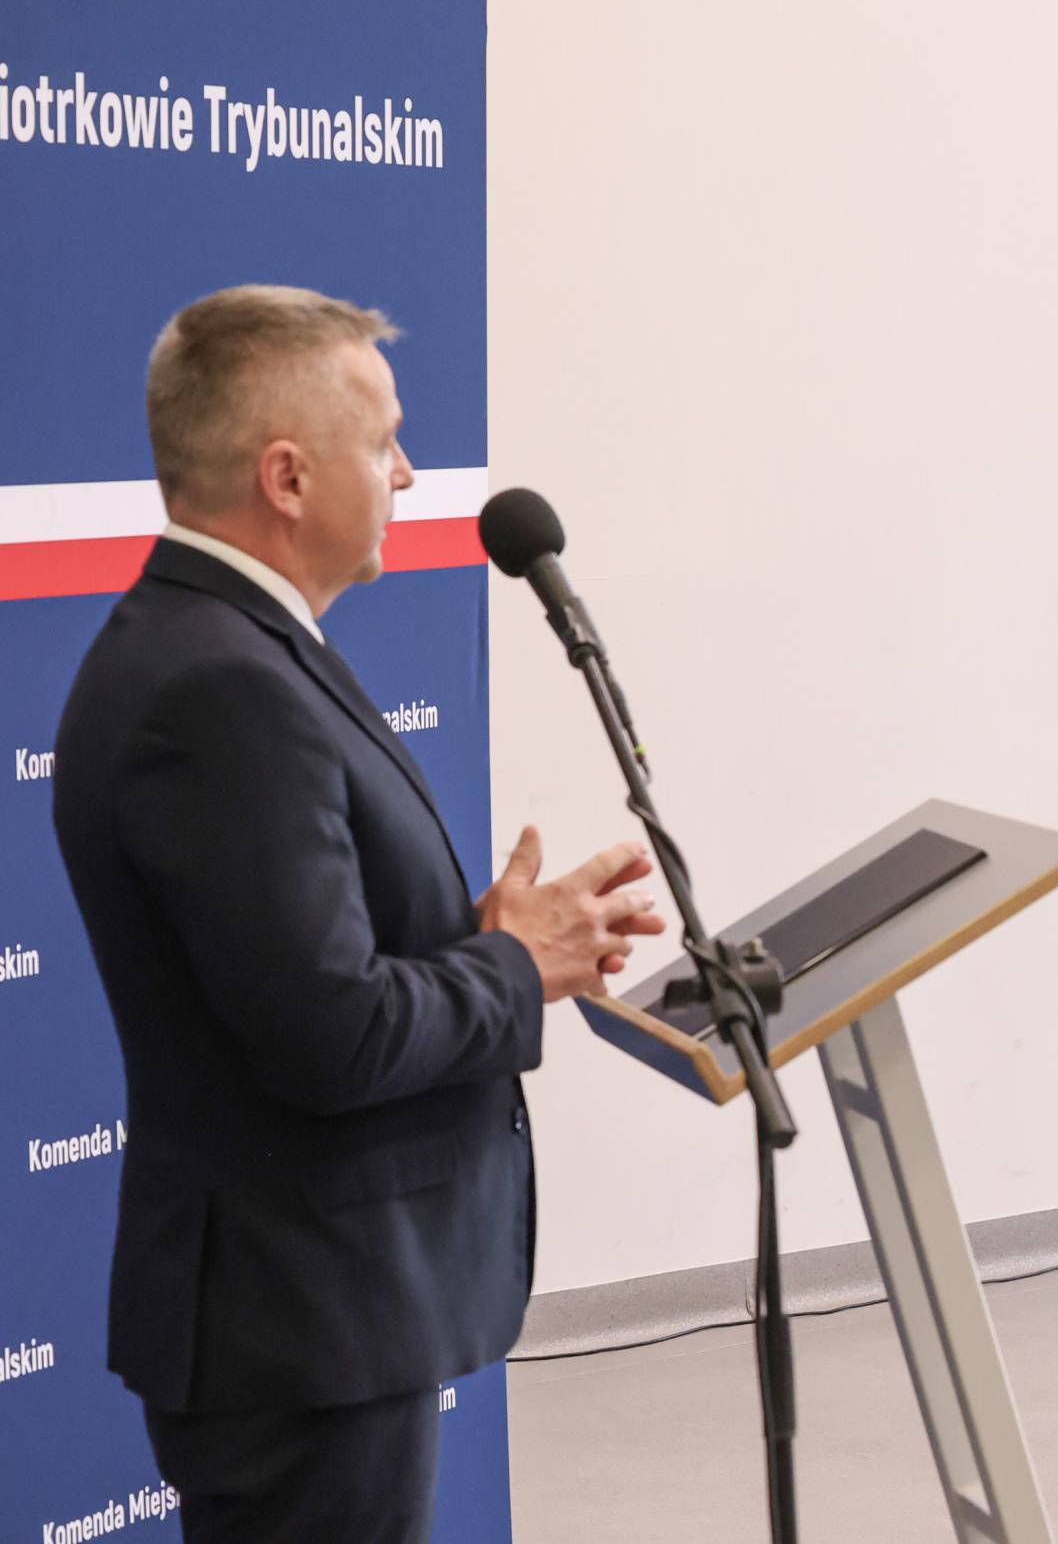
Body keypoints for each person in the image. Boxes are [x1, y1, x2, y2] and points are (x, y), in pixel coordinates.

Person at [51, 285, 666, 1542]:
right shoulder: (218, 688)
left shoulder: (225, 645)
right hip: (301, 1324)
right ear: (286, 476)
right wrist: (514, 964)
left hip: (310, 1314)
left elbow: (295, 962)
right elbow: (327, 1031)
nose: (406, 469)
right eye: (382, 439)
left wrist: (477, 937)